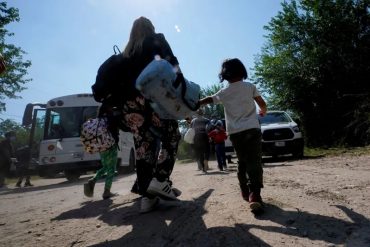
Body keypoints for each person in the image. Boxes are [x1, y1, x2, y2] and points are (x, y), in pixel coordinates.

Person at [119, 16, 182, 213]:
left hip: (130, 105)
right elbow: (172, 64)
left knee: (143, 149)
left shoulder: (127, 52)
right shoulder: (157, 39)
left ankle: (147, 197)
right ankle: (161, 180)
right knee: (171, 137)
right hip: (154, 98)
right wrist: (180, 89)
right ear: (151, 28)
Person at [199, 58, 267, 213]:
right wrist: (263, 111)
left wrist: (196, 103)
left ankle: (244, 190)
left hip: (235, 133)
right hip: (252, 129)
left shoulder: (224, 92)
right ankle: (255, 195)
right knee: (254, 161)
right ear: (242, 71)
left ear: (224, 75)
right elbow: (262, 103)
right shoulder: (250, 86)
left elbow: (209, 99)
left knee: (242, 161)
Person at [83, 104, 123, 199]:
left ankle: (93, 180)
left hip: (101, 147)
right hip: (111, 146)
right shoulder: (111, 118)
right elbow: (119, 128)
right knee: (111, 169)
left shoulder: (98, 120)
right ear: (108, 109)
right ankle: (106, 191)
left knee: (105, 167)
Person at [190, 108, 210, 173]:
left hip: (197, 137)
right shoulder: (207, 120)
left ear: (196, 114)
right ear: (203, 113)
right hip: (205, 136)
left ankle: (203, 168)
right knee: (207, 150)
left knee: (200, 153)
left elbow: (191, 129)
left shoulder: (193, 121)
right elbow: (209, 128)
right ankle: (206, 161)